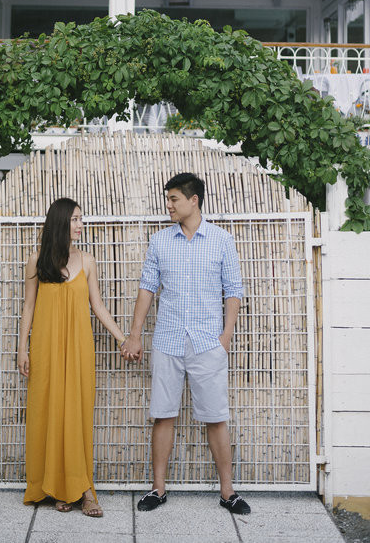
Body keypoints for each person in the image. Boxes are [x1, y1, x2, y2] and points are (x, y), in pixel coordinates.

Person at [121, 172, 251, 516]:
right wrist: (135, 334)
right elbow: (147, 289)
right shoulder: (160, 242)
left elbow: (233, 291)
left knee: (216, 417)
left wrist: (224, 338)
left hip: (209, 342)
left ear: (194, 200)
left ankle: (228, 492)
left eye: (174, 199)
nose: (169, 205)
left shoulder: (222, 240)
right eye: (168, 199)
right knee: (162, 416)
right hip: (167, 340)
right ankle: (158, 489)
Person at [18, 197, 127, 517]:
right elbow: (28, 307)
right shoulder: (37, 260)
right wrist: (22, 348)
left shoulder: (88, 261)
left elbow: (98, 306)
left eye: (82, 219)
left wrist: (123, 339)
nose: (80, 225)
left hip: (78, 350)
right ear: (60, 222)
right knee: (48, 415)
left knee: (76, 417)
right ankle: (54, 488)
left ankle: (83, 490)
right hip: (46, 350)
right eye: (75, 219)